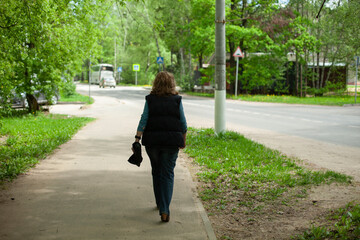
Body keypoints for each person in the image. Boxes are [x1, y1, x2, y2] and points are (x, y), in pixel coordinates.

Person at [135, 71, 187, 222]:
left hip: (152, 142)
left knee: (157, 171)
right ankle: (164, 209)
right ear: (172, 84)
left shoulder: (150, 99)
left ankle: (159, 202)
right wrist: (183, 140)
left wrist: (137, 138)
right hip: (171, 142)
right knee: (168, 174)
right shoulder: (177, 100)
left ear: (156, 83)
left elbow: (143, 119)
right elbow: (183, 123)